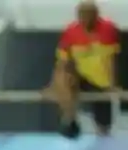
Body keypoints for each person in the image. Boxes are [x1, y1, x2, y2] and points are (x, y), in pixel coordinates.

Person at [50, 1, 120, 138]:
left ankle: (103, 136)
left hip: (101, 82)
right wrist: (54, 84)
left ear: (96, 15)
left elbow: (113, 59)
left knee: (104, 126)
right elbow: (62, 62)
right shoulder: (70, 32)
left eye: (89, 15)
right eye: (82, 15)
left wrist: (113, 84)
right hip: (79, 77)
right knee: (64, 76)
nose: (85, 19)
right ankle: (69, 119)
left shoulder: (109, 29)